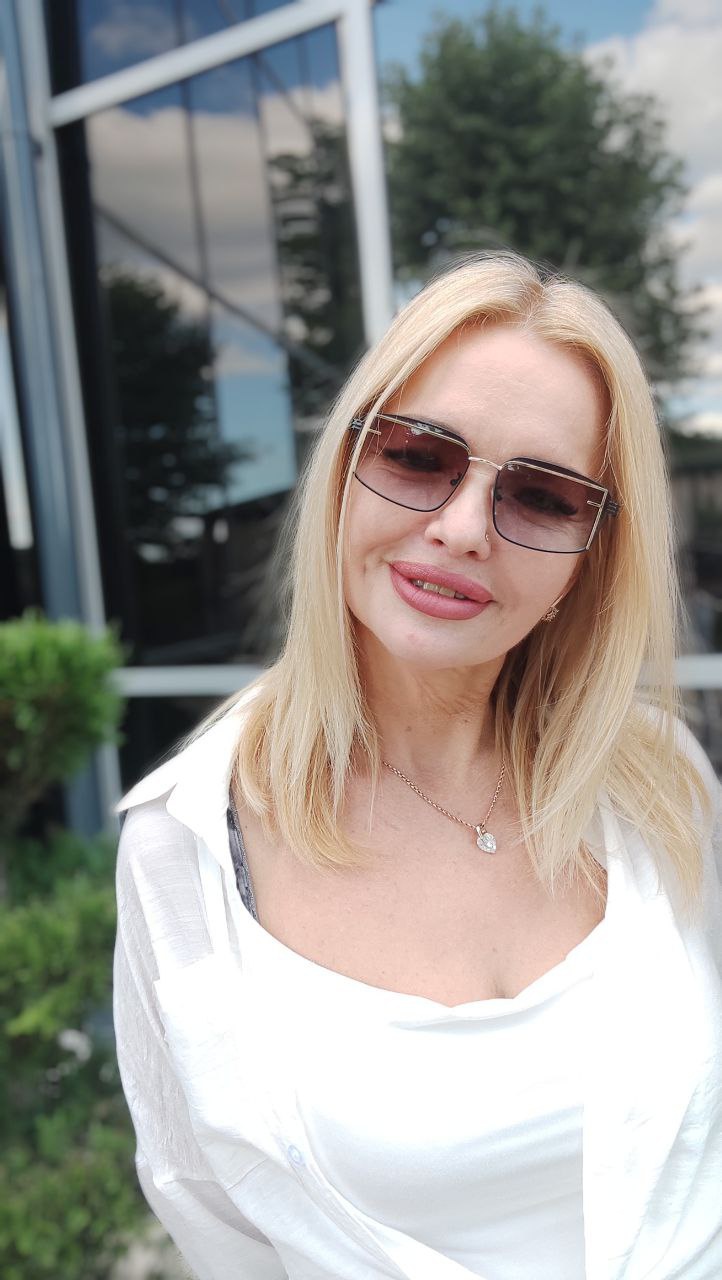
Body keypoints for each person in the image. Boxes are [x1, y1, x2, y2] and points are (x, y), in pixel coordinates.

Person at [113, 252, 722, 1280]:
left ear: (587, 562)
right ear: (342, 474)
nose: (461, 528)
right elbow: (210, 1212)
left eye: (542, 495)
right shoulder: (190, 844)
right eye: (416, 454)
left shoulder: (660, 780)